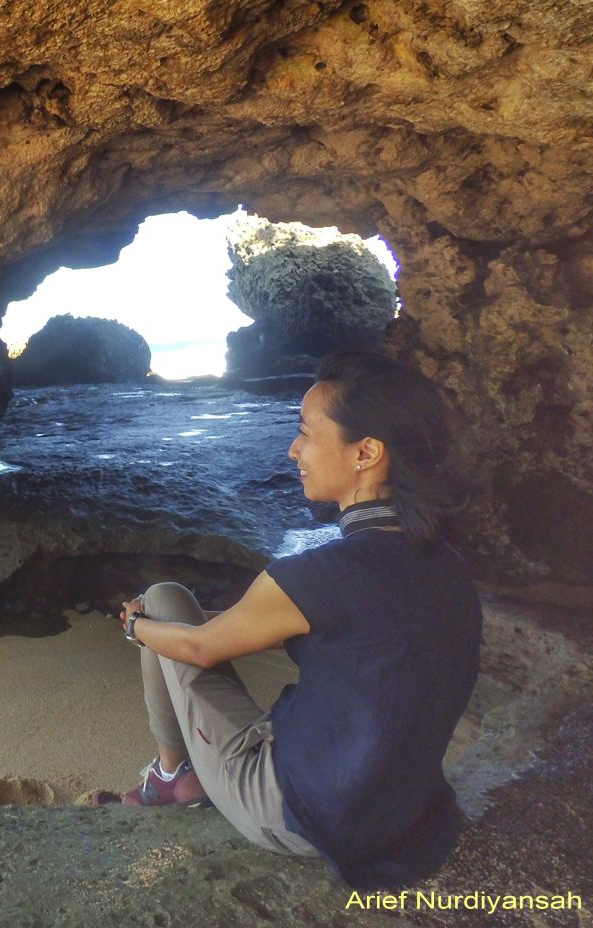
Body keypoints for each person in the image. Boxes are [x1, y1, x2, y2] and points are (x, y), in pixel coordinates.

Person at [110, 348, 483, 890]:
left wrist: (134, 627)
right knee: (182, 617)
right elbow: (331, 628)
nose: (293, 450)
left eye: (306, 432)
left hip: (302, 814)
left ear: (367, 453)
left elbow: (199, 650)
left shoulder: (323, 573)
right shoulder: (443, 566)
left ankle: (171, 776)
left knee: (163, 599)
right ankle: (178, 772)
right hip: (403, 813)